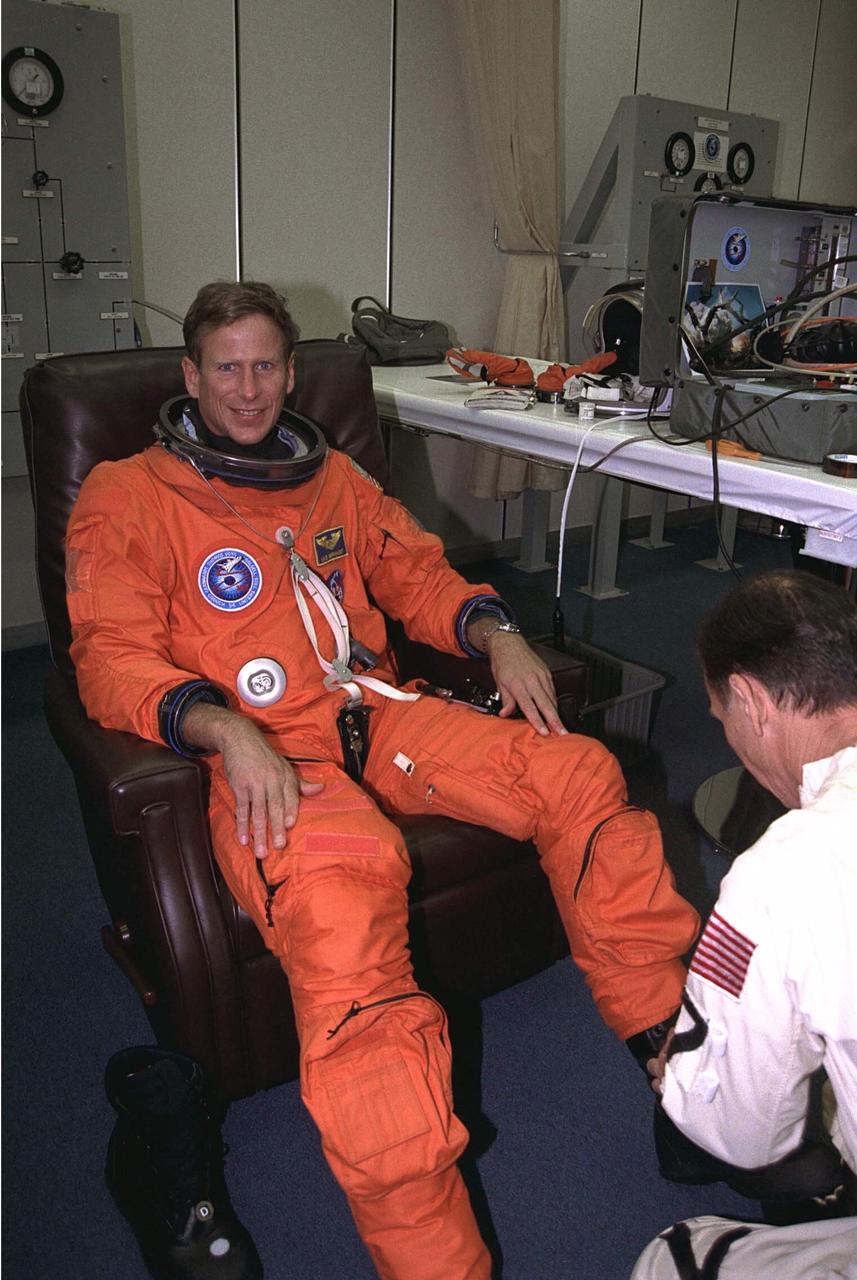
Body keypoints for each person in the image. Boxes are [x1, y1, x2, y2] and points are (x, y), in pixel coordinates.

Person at [66, 280, 699, 1280]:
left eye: (265, 365)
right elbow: (108, 655)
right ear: (189, 375)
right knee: (346, 910)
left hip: (377, 713)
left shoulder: (333, 479)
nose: (247, 389)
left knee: (580, 775)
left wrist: (496, 633)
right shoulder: (127, 495)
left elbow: (418, 573)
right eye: (226, 368)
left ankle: (682, 1077)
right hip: (263, 756)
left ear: (291, 372)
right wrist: (222, 726)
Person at [634, 568, 857, 1278]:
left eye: (720, 718)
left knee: (672, 1261)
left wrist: (685, 1072)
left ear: (751, 701)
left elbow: (742, 1135)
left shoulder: (780, 874)